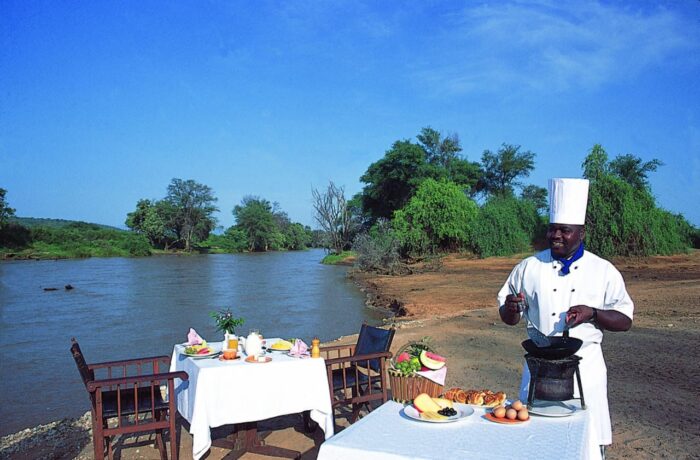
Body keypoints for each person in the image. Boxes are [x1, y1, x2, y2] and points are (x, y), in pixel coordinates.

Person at [497, 178, 634, 454]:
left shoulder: (602, 270)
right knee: (534, 445)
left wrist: (592, 313)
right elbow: (508, 314)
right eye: (552, 229)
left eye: (564, 230)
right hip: (539, 371)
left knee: (586, 448)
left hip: (586, 372)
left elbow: (625, 319)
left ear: (581, 232)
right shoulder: (529, 267)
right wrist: (511, 309)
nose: (555, 235)